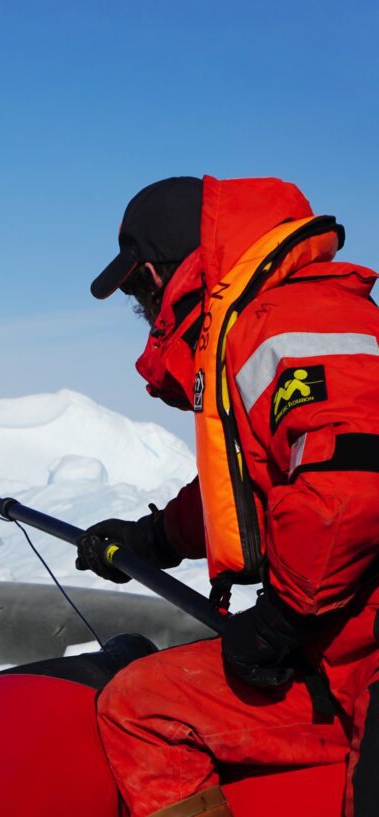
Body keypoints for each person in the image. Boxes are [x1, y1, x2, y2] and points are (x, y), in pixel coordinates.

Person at [79, 175, 379, 817]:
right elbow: (250, 485)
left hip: (365, 656)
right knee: (140, 707)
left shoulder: (290, 322)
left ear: (160, 277)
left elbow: (351, 486)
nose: (144, 313)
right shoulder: (256, 326)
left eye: (137, 292)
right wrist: (148, 540)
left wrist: (281, 621)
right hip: (336, 656)